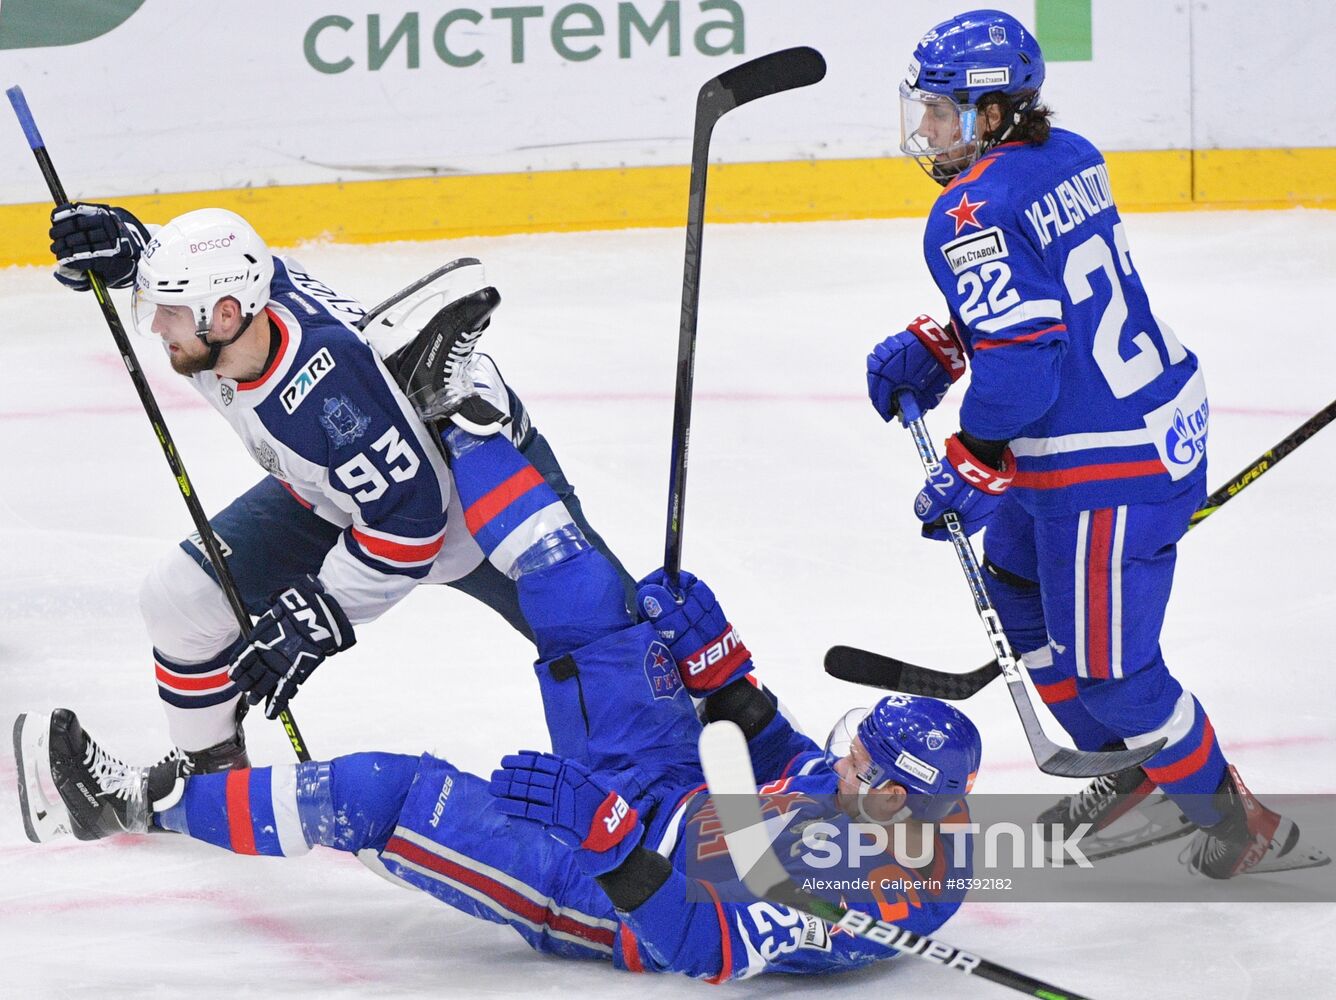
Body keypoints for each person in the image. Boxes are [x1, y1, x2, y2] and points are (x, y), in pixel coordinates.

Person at [14, 397, 982, 981]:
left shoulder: (853, 888)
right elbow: (796, 768)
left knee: (375, 794)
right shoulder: (918, 814)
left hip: (609, 899)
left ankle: (132, 799)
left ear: (892, 798)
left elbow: (702, 945)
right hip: (672, 793)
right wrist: (733, 682)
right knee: (590, 595)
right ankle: (448, 417)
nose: (842, 758)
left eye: (861, 762)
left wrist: (609, 842)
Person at [863, 9, 1323, 879]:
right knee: (1015, 580)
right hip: (1147, 416)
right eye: (923, 108)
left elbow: (1027, 373)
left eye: (944, 110)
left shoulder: (967, 211)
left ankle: (1241, 819)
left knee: (1115, 675)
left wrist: (973, 457)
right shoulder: (1066, 152)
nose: (925, 129)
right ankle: (1135, 771)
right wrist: (948, 340)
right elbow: (1049, 299)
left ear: (995, 112)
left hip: (1105, 464)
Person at [46, 203, 631, 772]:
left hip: (480, 501)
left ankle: (706, 808)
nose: (153, 325)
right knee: (181, 602)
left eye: (167, 310)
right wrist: (128, 249)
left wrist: (316, 615)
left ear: (224, 316)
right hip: (348, 491)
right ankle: (213, 787)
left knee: (625, 656)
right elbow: (218, 265)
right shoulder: (238, 312)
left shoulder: (324, 393)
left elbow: (410, 527)